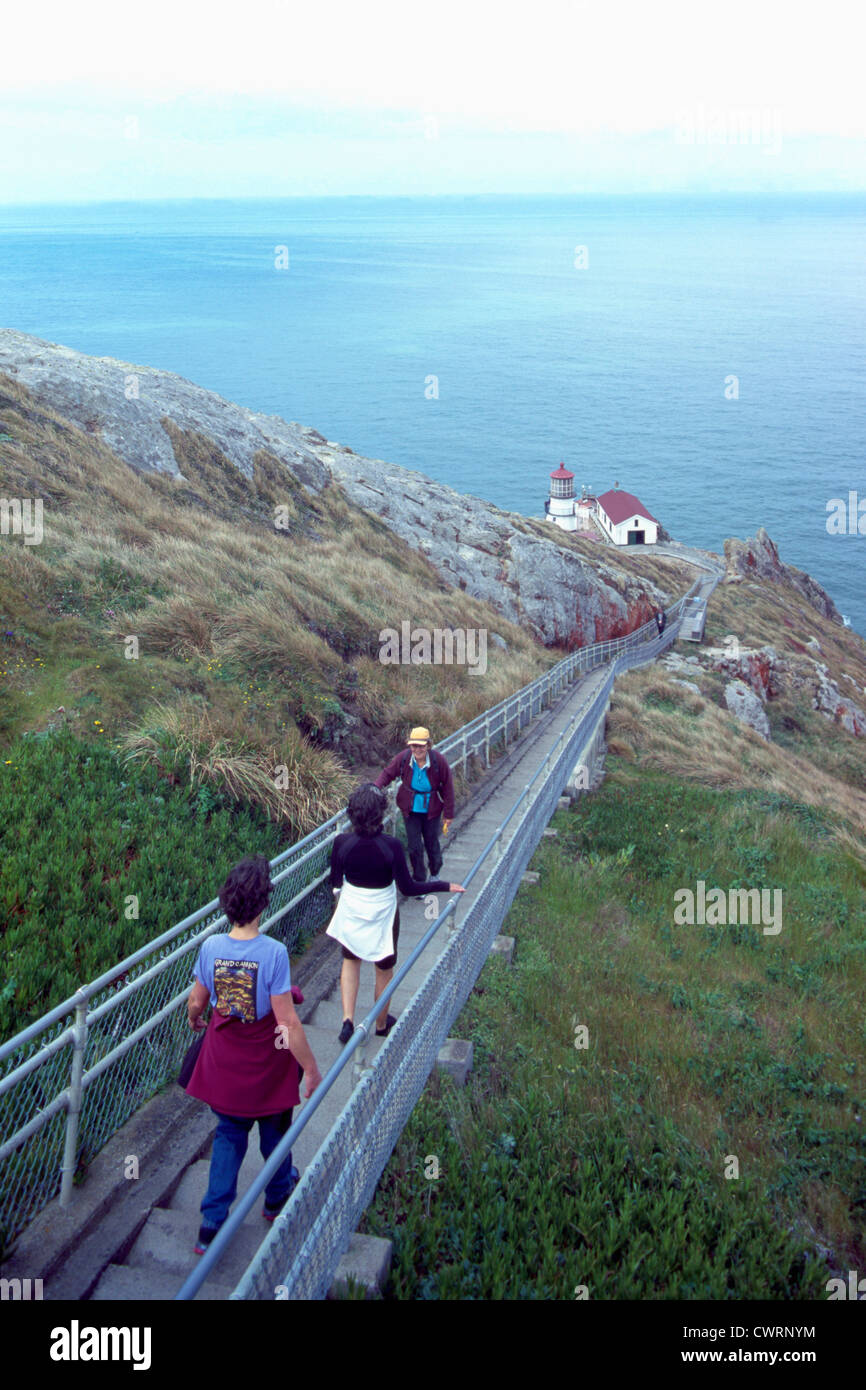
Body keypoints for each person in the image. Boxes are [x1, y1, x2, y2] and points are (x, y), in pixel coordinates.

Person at [185, 854, 322, 1255]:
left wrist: (195, 1018)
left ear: (227, 902)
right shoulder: (274, 953)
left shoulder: (211, 947)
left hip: (226, 1060)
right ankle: (277, 1195)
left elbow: (198, 1001)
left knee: (228, 1134)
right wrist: (310, 1069)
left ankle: (212, 1222)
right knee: (274, 1130)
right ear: (264, 903)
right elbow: (287, 1023)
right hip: (267, 1060)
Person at [328, 782, 464, 1044]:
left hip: (352, 909)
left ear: (352, 813)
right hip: (383, 913)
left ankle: (347, 1020)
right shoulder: (390, 846)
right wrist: (444, 886)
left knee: (350, 961)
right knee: (383, 968)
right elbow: (409, 888)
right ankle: (380, 1024)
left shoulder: (341, 843)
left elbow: (336, 882)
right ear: (380, 814)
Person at [375, 726, 455, 882]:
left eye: (421, 746)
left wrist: (449, 814)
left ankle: (435, 873)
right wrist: (375, 787)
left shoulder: (439, 761)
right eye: (414, 745)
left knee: (432, 843)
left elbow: (448, 787)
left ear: (428, 745)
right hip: (410, 810)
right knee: (414, 847)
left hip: (432, 809)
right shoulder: (403, 759)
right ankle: (419, 879)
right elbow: (387, 774)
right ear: (409, 745)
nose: (417, 749)